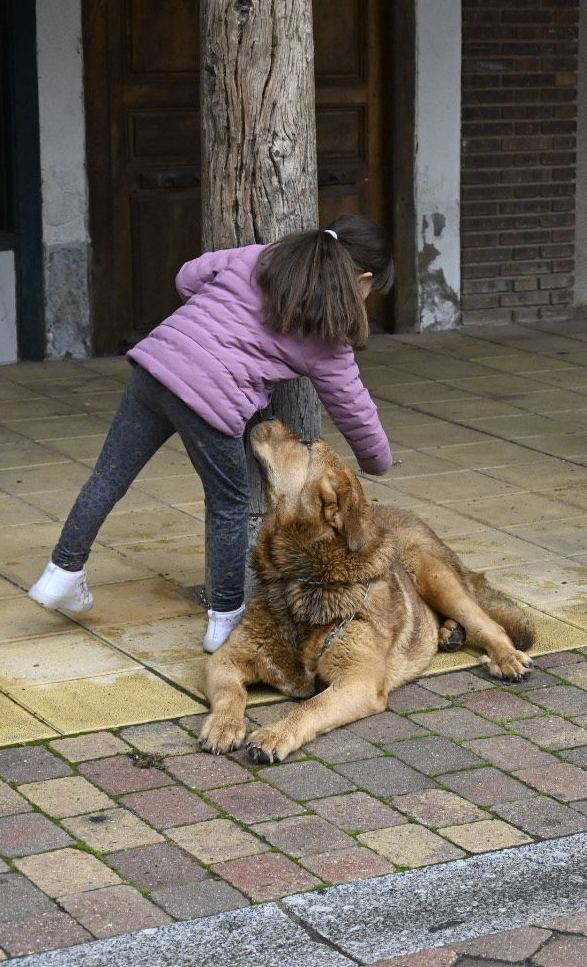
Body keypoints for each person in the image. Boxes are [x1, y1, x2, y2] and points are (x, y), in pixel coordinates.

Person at [27, 215, 396, 653]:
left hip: (155, 368)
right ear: (363, 278)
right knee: (229, 504)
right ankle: (225, 620)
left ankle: (62, 574)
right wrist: (378, 463)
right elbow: (354, 409)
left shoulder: (262, 258)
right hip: (210, 402)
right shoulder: (329, 336)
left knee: (109, 476)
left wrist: (208, 319)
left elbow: (187, 276)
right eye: (372, 291)